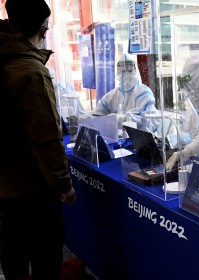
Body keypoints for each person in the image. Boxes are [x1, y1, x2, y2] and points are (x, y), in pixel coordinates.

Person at [0, 0, 76, 279]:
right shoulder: (30, 71)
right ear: (43, 31)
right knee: (46, 252)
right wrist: (63, 184)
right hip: (31, 185)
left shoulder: (5, 57)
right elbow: (45, 137)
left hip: (6, 181)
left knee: (12, 251)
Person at [92, 53, 160, 131]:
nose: (127, 75)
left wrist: (117, 119)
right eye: (123, 71)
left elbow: (143, 119)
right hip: (118, 138)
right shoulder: (112, 95)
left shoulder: (143, 92)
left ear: (135, 71)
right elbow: (99, 113)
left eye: (130, 71)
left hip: (142, 137)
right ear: (118, 72)